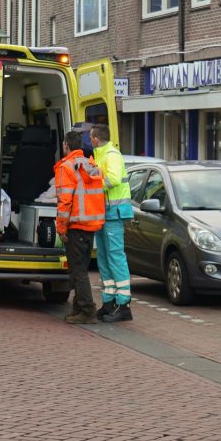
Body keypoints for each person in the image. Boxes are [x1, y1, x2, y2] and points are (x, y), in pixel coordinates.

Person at [53, 127, 107, 324]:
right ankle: (78, 309)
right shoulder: (90, 165)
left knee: (78, 271)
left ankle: (87, 311)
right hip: (91, 224)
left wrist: (61, 227)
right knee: (81, 268)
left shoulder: (66, 167)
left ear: (66, 146)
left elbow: (64, 201)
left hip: (75, 225)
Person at [89, 123, 134, 323]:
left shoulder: (112, 155)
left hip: (113, 213)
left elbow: (114, 179)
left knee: (115, 256)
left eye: (90, 137)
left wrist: (93, 184)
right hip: (103, 212)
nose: (89, 140)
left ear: (95, 139)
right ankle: (109, 301)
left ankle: (123, 304)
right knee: (104, 258)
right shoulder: (100, 154)